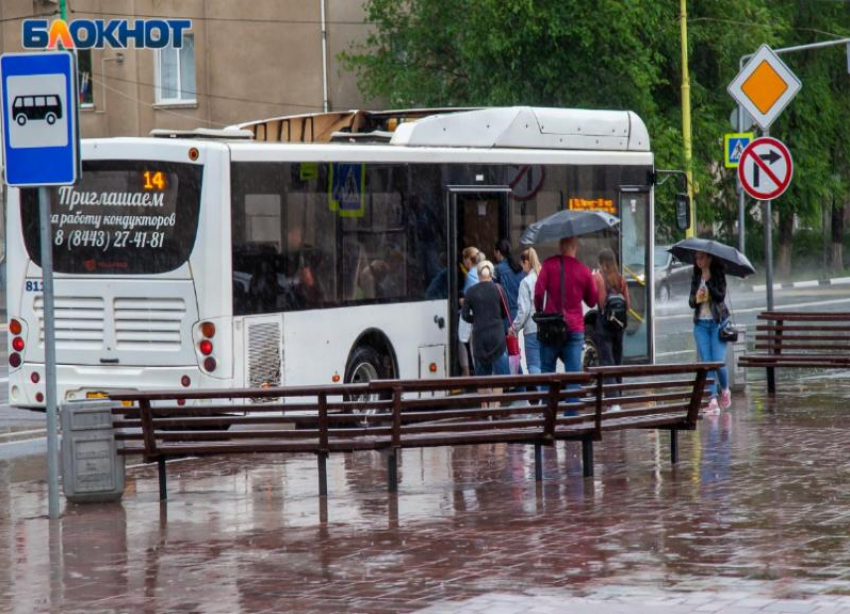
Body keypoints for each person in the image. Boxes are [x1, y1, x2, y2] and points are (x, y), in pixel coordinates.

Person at [534, 236, 598, 375]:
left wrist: (540, 311)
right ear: (575, 247)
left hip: (551, 326)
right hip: (574, 328)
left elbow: (538, 292)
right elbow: (592, 301)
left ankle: (547, 397)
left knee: (547, 373)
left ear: (560, 246)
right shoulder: (583, 270)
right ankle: (572, 396)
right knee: (573, 376)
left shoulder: (548, 265)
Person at [689, 250, 732, 412]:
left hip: (717, 323)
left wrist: (708, 282)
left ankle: (725, 389)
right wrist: (697, 298)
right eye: (696, 258)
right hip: (700, 325)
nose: (698, 261)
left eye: (701, 258)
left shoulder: (718, 273)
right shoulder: (696, 275)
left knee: (718, 362)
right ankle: (712, 400)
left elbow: (720, 297)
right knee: (707, 363)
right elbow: (691, 302)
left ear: (709, 257)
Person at [593, 248, 630, 407]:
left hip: (604, 326)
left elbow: (601, 303)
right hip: (619, 327)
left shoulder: (599, 278)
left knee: (607, 362)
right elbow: (627, 305)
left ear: (602, 264)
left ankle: (613, 401)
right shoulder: (621, 280)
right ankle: (618, 399)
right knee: (617, 361)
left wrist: (594, 279)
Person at [461, 260, 510, 376]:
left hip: (479, 338)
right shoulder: (499, 289)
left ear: (478, 275)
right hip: (497, 337)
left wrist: (476, 319)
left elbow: (465, 315)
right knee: (501, 378)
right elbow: (505, 312)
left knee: (482, 379)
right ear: (491, 274)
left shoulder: (470, 292)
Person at [510, 247, 542, 378]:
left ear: (526, 262)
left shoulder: (526, 282)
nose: (522, 268)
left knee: (534, 366)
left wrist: (514, 327)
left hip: (532, 329)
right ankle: (547, 396)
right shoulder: (543, 277)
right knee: (546, 366)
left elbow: (524, 310)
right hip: (547, 328)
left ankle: (539, 395)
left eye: (522, 264)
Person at [493, 239, 525, 322]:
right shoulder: (519, 267)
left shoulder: (498, 269)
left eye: (495, 252)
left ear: (498, 252)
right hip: (520, 312)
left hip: (506, 314)